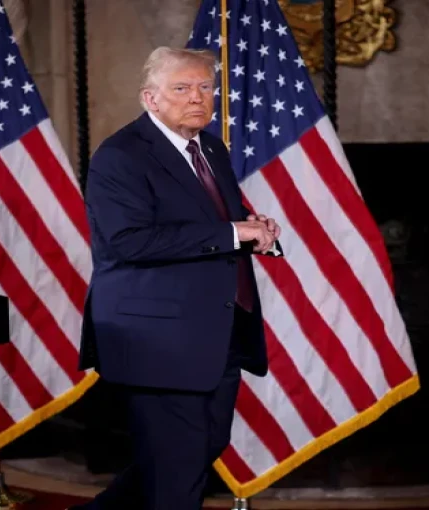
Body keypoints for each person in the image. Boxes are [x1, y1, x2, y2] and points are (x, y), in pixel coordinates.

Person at [74, 46, 283, 510]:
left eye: (206, 87)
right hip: (157, 337)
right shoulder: (120, 156)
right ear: (151, 98)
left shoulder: (210, 146)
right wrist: (231, 232)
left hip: (219, 330)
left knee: (196, 451)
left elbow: (218, 220)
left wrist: (256, 229)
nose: (197, 98)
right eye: (182, 88)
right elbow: (128, 241)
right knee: (179, 471)